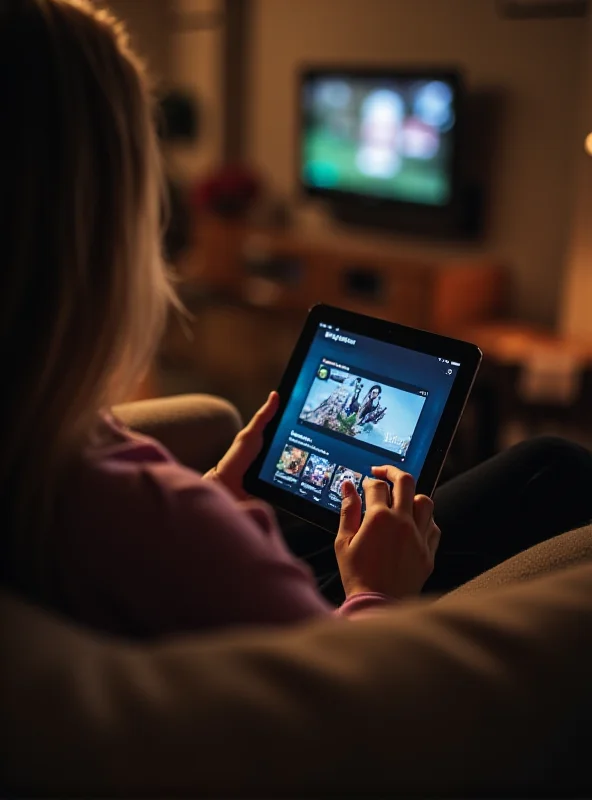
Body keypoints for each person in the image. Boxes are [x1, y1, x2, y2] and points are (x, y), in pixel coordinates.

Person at [1, 0, 592, 642]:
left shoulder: (49, 455)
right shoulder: (157, 526)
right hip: (335, 637)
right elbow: (325, 708)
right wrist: (376, 592)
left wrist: (212, 496)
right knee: (553, 467)